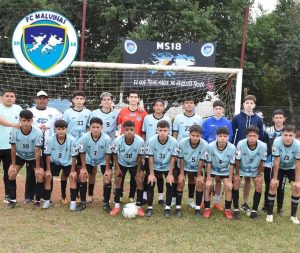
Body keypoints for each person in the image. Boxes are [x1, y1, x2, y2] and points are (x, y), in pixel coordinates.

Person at [26, 90, 62, 203]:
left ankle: (46, 196)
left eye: (44, 98)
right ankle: (29, 196)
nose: (42, 100)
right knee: (32, 172)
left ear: (47, 100)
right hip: (33, 146)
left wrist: (52, 128)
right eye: (39, 98)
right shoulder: (30, 111)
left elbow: (61, 122)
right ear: (36, 99)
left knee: (47, 172)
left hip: (49, 146)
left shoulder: (54, 111)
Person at [231, 95, 263, 215]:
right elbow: (232, 134)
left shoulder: (258, 119)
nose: (249, 105)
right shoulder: (237, 118)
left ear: (254, 105)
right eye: (247, 103)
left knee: (248, 179)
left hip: (252, 154)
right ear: (243, 104)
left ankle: (244, 203)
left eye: (251, 103)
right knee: (237, 178)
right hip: (239, 152)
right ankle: (233, 204)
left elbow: (262, 136)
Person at [7, 110, 44, 207]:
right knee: (11, 173)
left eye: (28, 121)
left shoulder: (38, 132)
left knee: (39, 175)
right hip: (20, 155)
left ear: (32, 120)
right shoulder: (14, 130)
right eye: (24, 120)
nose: (26, 123)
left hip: (33, 156)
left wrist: (38, 168)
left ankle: (37, 200)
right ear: (20, 120)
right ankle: (13, 199)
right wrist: (13, 165)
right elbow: (13, 148)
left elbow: (37, 151)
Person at [202, 100, 233, 211]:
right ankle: (204, 201)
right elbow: (204, 137)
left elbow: (230, 137)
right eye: (216, 108)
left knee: (219, 179)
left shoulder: (228, 123)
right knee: (207, 178)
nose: (218, 110)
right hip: (210, 152)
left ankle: (217, 201)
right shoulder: (206, 121)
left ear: (223, 110)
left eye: (220, 108)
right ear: (213, 109)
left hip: (221, 153)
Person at [172, 96, 203, 208]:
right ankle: (175, 199)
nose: (189, 105)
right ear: (183, 105)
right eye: (187, 103)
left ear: (194, 105)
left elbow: (200, 134)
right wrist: (175, 149)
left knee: (191, 176)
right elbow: (175, 134)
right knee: (178, 176)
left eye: (191, 103)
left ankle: (190, 199)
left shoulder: (199, 119)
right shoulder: (178, 118)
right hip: (181, 151)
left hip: (194, 151)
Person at [117, 90, 148, 202]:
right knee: (120, 173)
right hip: (124, 145)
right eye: (131, 97)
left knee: (135, 173)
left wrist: (143, 145)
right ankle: (119, 195)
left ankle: (131, 196)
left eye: (136, 97)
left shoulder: (143, 113)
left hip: (137, 146)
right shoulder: (123, 111)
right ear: (128, 98)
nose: (133, 99)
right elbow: (117, 124)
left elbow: (145, 130)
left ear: (138, 99)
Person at [110, 120, 145, 217]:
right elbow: (115, 154)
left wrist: (138, 171)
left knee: (139, 180)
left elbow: (140, 156)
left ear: (135, 130)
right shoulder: (118, 140)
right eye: (127, 130)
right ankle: (116, 206)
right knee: (118, 179)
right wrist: (117, 168)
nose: (129, 132)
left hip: (134, 163)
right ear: (123, 130)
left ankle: (139, 207)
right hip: (122, 163)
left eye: (131, 130)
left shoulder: (140, 141)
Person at [266, 125, 300, 224]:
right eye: (285, 135)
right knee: (273, 186)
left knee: (296, 188)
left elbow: (298, 163)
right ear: (282, 135)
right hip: (279, 166)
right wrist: (275, 178)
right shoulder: (276, 141)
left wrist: (298, 181)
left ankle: (293, 216)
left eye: (290, 135)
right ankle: (269, 214)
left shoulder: (298, 144)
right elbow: (276, 160)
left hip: (292, 167)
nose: (288, 137)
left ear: (295, 135)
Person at [145, 120, 179, 218]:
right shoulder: (151, 140)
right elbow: (150, 158)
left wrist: (170, 174)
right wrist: (151, 173)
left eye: (165, 130)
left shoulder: (173, 141)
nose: (163, 132)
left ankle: (167, 208)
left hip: (168, 166)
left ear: (169, 131)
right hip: (155, 165)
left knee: (170, 182)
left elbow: (173, 158)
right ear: (156, 131)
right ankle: (150, 208)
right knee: (150, 182)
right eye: (160, 130)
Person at [232, 125, 267, 219]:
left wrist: (259, 174)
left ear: (258, 136)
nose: (252, 138)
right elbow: (237, 160)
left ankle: (254, 211)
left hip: (255, 169)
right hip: (242, 168)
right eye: (250, 135)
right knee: (236, 182)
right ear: (246, 136)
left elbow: (262, 161)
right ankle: (236, 210)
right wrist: (237, 174)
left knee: (259, 184)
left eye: (254, 136)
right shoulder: (241, 143)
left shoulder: (263, 145)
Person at [79, 117, 112, 212]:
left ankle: (106, 203)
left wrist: (108, 169)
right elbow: (82, 152)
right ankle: (83, 202)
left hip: (102, 159)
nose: (95, 129)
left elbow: (108, 154)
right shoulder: (85, 137)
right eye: (93, 127)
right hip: (89, 159)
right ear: (90, 128)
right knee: (83, 175)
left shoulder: (107, 138)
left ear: (101, 128)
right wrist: (83, 167)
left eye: (98, 127)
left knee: (107, 177)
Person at [142, 99, 172, 205]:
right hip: (150, 151)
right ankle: (144, 197)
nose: (158, 107)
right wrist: (144, 148)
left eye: (161, 105)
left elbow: (170, 135)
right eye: (156, 105)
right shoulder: (147, 118)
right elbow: (144, 134)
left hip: (163, 151)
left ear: (163, 107)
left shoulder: (167, 119)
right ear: (153, 107)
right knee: (148, 174)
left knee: (160, 176)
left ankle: (160, 198)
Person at [43, 119, 78, 210]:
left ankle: (73, 202)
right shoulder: (50, 139)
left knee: (72, 177)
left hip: (68, 162)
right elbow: (47, 155)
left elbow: (74, 156)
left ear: (66, 129)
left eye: (63, 129)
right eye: (58, 129)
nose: (61, 131)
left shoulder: (72, 140)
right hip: (54, 161)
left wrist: (73, 171)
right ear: (55, 130)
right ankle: (47, 200)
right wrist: (48, 170)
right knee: (48, 176)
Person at [63, 91, 91, 204]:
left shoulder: (88, 112)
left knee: (80, 169)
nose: (79, 100)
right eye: (77, 98)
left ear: (84, 100)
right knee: (67, 170)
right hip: (70, 145)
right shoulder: (67, 112)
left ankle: (78, 194)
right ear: (73, 100)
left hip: (82, 146)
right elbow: (63, 128)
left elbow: (89, 128)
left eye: (81, 98)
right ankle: (63, 195)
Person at [176, 125, 208, 217]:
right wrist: (181, 174)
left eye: (197, 136)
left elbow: (201, 161)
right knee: (180, 181)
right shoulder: (182, 142)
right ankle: (178, 207)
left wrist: (198, 175)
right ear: (189, 134)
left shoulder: (204, 144)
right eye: (193, 135)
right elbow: (181, 159)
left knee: (199, 182)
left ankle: (197, 208)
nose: (195, 138)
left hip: (196, 167)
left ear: (201, 136)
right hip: (183, 165)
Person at [204, 127, 235, 219]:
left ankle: (227, 210)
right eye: (220, 136)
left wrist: (229, 181)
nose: (222, 138)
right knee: (208, 186)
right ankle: (207, 208)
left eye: (225, 136)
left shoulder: (232, 147)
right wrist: (209, 179)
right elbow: (208, 163)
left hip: (225, 170)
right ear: (216, 137)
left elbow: (232, 164)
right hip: (212, 169)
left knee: (228, 187)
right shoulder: (210, 146)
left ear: (228, 137)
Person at [0, 90, 22, 203]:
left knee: (8, 171)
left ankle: (8, 195)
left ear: (15, 98)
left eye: (12, 96)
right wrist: (13, 124)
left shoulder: (18, 109)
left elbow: (23, 122)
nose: (9, 98)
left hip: (10, 147)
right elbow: (1, 121)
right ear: (2, 97)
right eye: (7, 96)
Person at [263, 109, 286, 214]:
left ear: (284, 119)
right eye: (276, 117)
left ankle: (279, 207)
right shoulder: (268, 131)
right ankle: (266, 205)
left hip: (282, 162)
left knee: (280, 185)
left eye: (280, 117)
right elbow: (264, 145)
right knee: (268, 184)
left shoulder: (287, 132)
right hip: (269, 161)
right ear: (273, 119)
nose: (278, 120)